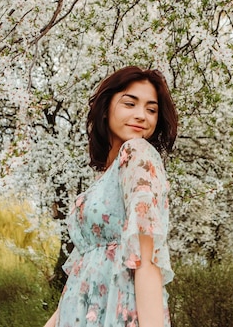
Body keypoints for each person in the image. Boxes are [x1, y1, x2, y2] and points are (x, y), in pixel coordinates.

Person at [43, 66, 178, 327]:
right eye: (130, 104)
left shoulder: (137, 153)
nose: (141, 116)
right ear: (106, 108)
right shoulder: (106, 175)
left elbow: (146, 260)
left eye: (151, 109)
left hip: (116, 312)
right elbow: (84, 270)